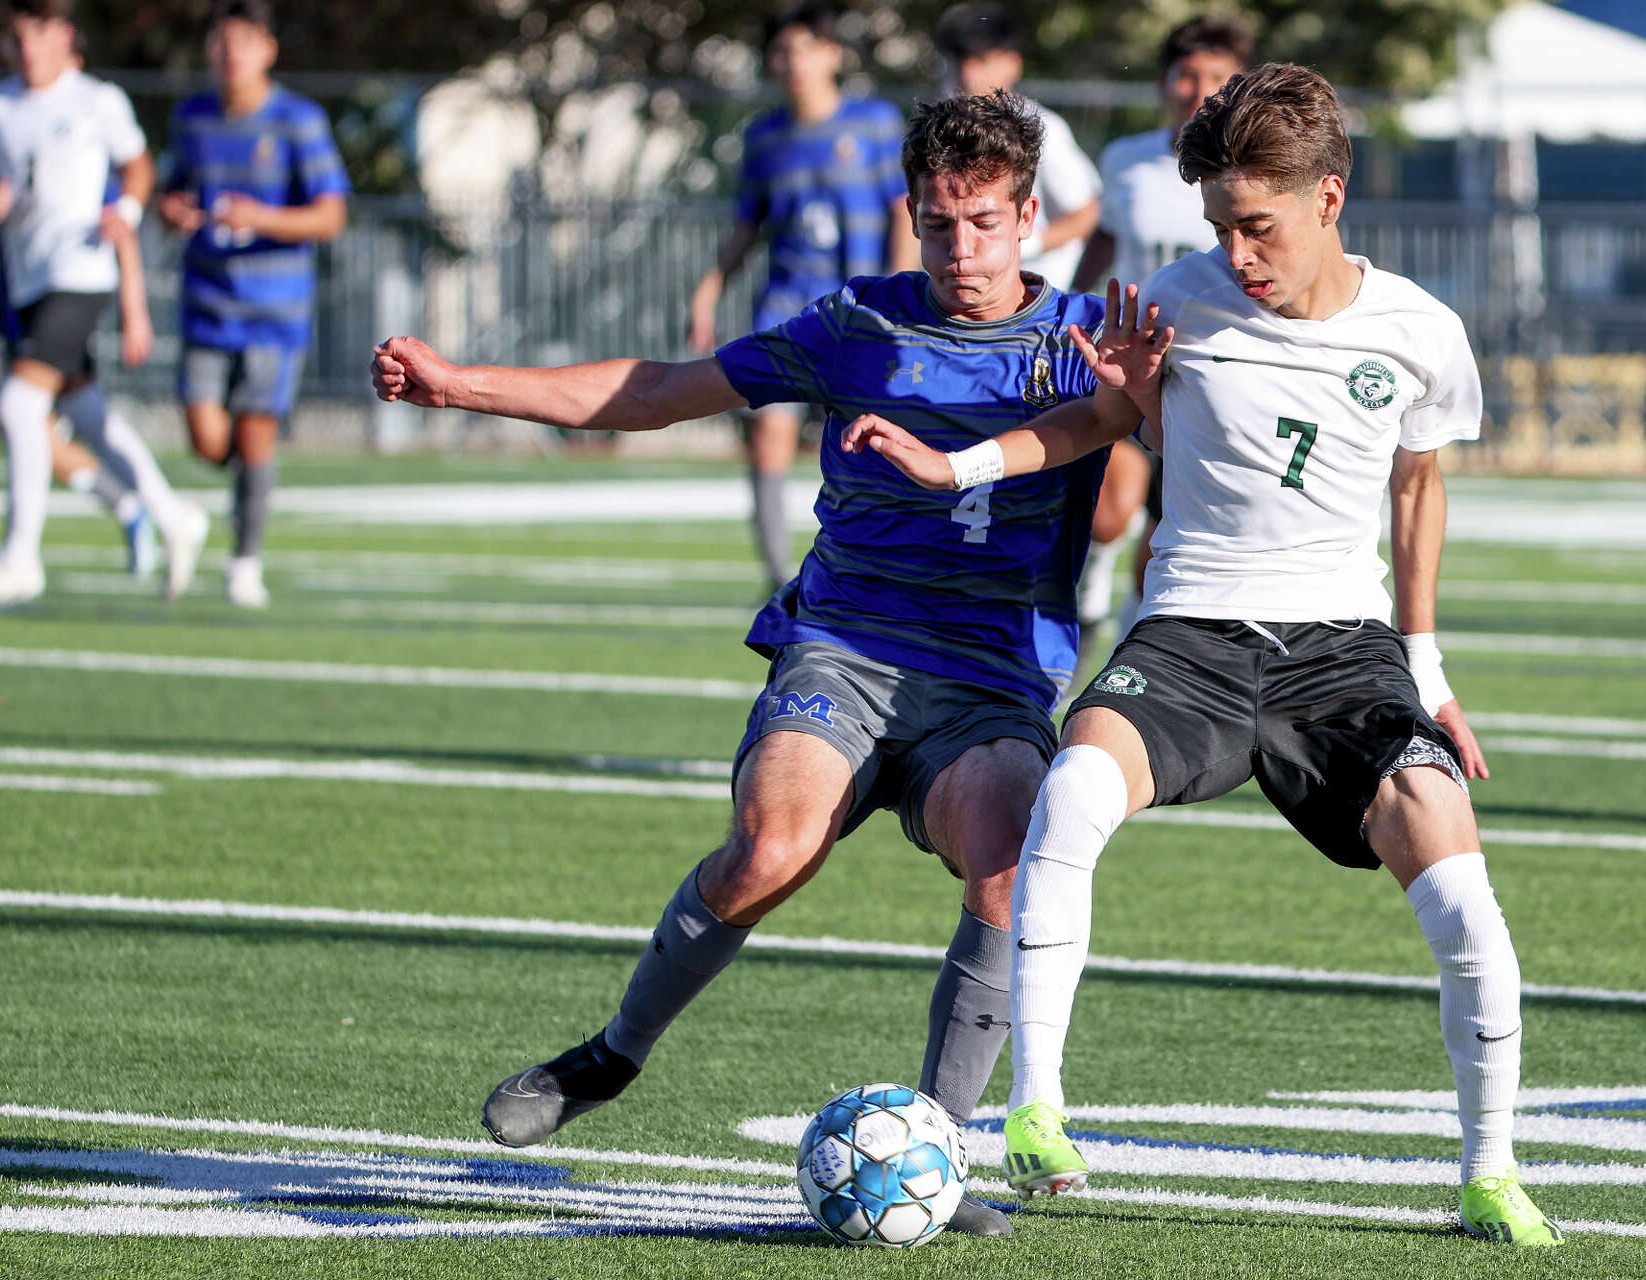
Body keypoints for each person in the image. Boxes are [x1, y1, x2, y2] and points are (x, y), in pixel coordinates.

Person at [846, 63, 1564, 1248]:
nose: (1236, 252)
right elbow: (1095, 422)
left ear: (1330, 197)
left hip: (1343, 652)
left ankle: (1491, 1171)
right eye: (1220, 225)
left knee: (1461, 880)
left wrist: (1428, 671)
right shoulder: (1171, 301)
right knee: (1071, 789)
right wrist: (956, 465)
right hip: (1189, 635)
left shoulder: (1422, 331)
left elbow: (1418, 488)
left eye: (1258, 226)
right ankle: (1039, 1109)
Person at [374, 90, 1111, 1240]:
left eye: (982, 222)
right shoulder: (857, 328)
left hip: (990, 681)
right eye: (937, 222)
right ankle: (611, 1056)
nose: (960, 248)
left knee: (1011, 862)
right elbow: (664, 391)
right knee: (769, 849)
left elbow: (1168, 463)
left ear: (1029, 218)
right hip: (849, 646)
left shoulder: (1082, 344)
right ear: (910, 218)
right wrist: (462, 383)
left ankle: (937, 1142)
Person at [0, 0, 208, 607]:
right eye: (18, 35)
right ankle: (173, 518)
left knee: (21, 406)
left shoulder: (96, 101)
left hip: (82, 273)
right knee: (90, 418)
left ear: (65, 35)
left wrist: (123, 215)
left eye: (41, 33)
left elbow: (139, 168)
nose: (29, 47)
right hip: (29, 285)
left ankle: (21, 558)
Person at [687, 4, 917, 595]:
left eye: (805, 49)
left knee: (875, 436)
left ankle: (877, 567)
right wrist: (710, 288)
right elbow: (747, 223)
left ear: (832, 55)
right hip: (788, 306)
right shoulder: (764, 136)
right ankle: (776, 575)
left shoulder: (873, 123)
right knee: (769, 428)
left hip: (860, 309)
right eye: (782, 52)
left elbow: (902, 211)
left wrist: (898, 287)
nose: (793, 63)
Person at [1069, 15, 1253, 672]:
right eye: (1185, 73)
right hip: (1129, 359)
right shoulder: (1126, 160)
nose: (1196, 89)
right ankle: (1088, 595)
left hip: (1209, 367)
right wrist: (1065, 307)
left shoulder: (1251, 172)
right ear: (1163, 82)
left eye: (1214, 76)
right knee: (1106, 517)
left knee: (1164, 536)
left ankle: (1127, 654)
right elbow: (1107, 239)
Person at [160, 0, 350, 609]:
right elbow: (171, 190)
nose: (230, 52)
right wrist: (172, 210)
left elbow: (330, 215)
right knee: (207, 439)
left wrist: (260, 216)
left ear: (267, 47)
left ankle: (245, 559)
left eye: (243, 39)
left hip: (274, 311)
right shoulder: (192, 117)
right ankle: (216, 514)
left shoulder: (298, 119)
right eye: (220, 40)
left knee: (256, 434)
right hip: (206, 303)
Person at [935, 3, 1100, 292]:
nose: (969, 75)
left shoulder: (1043, 127)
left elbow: (1088, 214)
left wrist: (1026, 240)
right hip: (964, 297)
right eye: (960, 61)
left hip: (1032, 300)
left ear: (1013, 63)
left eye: (982, 61)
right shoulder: (940, 129)